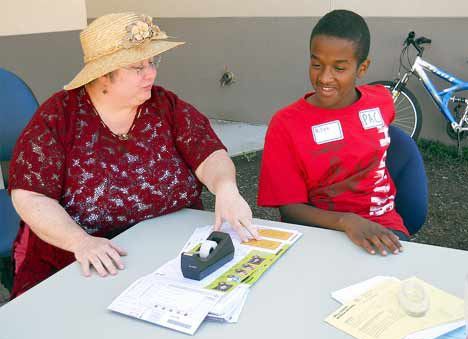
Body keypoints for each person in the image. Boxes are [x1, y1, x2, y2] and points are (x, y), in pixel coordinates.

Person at [8, 12, 259, 298]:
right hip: (91, 263)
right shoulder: (59, 118)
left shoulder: (164, 105)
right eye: (136, 67)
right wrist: (80, 241)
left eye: (151, 62)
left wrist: (225, 187)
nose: (150, 73)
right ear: (103, 73)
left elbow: (208, 152)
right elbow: (30, 196)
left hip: (172, 251)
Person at [258, 9, 409, 256]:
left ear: (363, 67)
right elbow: (290, 208)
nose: (324, 77)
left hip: (382, 226)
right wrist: (346, 221)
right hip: (319, 231)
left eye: (339, 68)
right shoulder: (286, 124)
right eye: (316, 64)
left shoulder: (381, 101)